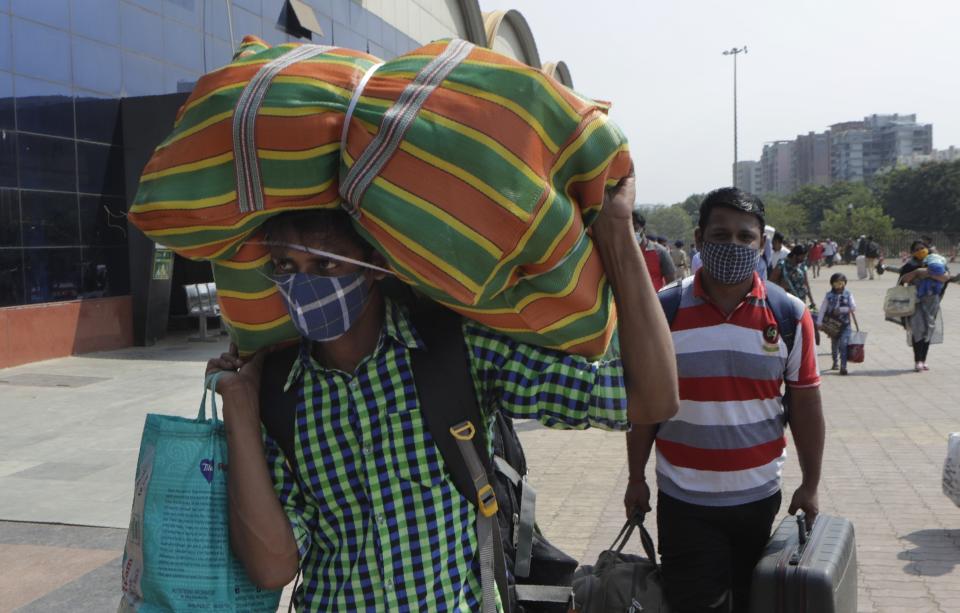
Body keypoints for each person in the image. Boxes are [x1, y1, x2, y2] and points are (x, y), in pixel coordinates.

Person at [204, 173, 679, 611]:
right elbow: (274, 567)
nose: (301, 283)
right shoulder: (280, 393)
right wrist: (241, 411)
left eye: (324, 263)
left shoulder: (457, 353)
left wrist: (617, 233)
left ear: (373, 265)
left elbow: (649, 400)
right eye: (286, 265)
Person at [623, 187, 824, 613]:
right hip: (684, 501)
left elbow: (805, 406)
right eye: (720, 235)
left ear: (761, 243)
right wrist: (636, 476)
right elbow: (643, 407)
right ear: (698, 239)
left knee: (756, 603)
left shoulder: (789, 314)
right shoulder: (665, 311)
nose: (733, 245)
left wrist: (810, 485)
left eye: (744, 237)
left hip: (760, 499)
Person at [886, 241, 951, 372]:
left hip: (932, 302)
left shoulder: (937, 262)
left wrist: (929, 273)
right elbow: (903, 280)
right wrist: (916, 272)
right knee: (917, 330)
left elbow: (946, 277)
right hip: (915, 302)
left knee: (928, 330)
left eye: (923, 248)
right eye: (917, 249)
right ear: (913, 252)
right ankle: (918, 360)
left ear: (928, 249)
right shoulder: (910, 265)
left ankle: (924, 360)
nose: (921, 250)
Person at [817, 273, 857, 375]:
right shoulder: (828, 296)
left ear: (845, 284)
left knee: (843, 344)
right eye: (836, 284)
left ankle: (843, 366)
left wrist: (841, 310)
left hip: (845, 325)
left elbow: (853, 307)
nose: (839, 286)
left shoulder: (848, 294)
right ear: (832, 284)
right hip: (833, 325)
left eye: (841, 283)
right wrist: (819, 322)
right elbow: (822, 309)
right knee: (834, 344)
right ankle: (835, 361)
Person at [632, 211, 677, 290]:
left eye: (635, 229)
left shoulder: (660, 252)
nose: (631, 232)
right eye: (628, 229)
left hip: (656, 299)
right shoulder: (621, 253)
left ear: (643, 229)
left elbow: (671, 283)